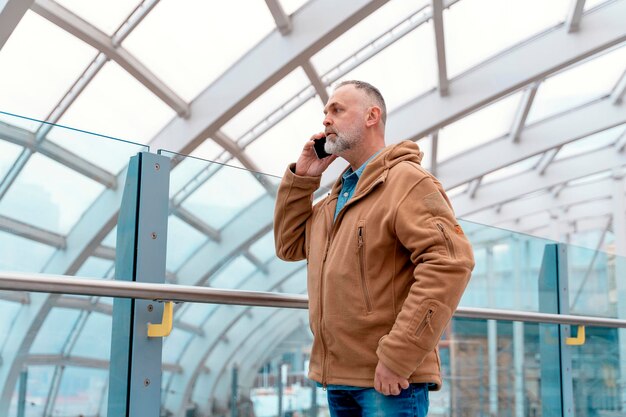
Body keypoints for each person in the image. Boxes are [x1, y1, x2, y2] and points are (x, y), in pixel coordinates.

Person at [274, 80, 474, 417]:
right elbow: (288, 246)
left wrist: (399, 356)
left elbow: (450, 264)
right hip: (339, 378)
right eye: (325, 112)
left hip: (389, 380)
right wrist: (303, 179)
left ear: (371, 116)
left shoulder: (407, 182)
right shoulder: (335, 200)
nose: (326, 119)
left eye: (337, 110)